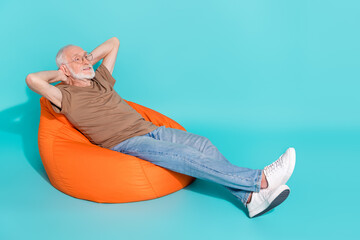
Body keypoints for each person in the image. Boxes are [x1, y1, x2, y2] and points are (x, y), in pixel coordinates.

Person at [25, 37, 296, 218]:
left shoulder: (101, 81)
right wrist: (63, 73)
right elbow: (33, 79)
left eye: (86, 57)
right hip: (125, 141)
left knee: (202, 143)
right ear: (63, 68)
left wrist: (84, 61)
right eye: (78, 60)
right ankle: (258, 180)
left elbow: (113, 42)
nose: (86, 61)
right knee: (186, 157)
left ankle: (249, 199)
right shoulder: (65, 96)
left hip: (147, 128)